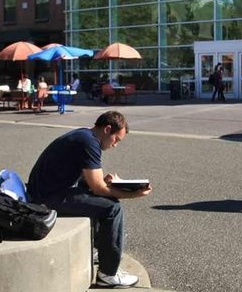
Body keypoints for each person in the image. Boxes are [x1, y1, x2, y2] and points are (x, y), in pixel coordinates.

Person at [27, 111, 151, 288]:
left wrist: (106, 182)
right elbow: (99, 188)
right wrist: (134, 194)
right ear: (108, 129)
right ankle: (108, 274)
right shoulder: (89, 143)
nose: (115, 145)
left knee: (99, 196)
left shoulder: (84, 135)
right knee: (112, 208)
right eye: (117, 139)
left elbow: (91, 181)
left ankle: (101, 251)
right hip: (46, 198)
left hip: (45, 191)